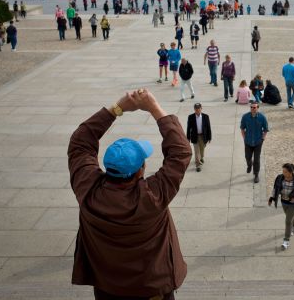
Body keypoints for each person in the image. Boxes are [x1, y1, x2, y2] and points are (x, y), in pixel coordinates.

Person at [68, 88, 191, 299]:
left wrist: (118, 108)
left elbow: (81, 142)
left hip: (108, 288)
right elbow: (180, 151)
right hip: (152, 288)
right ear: (141, 169)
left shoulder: (88, 191)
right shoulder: (151, 197)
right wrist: (154, 107)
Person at [268, 163, 294, 250]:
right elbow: (275, 188)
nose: (283, 173)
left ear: (291, 172)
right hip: (284, 202)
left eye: (285, 171)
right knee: (289, 217)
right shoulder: (280, 178)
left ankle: (286, 241)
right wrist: (271, 198)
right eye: (283, 171)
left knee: (287, 221)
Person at [240, 101, 269, 183]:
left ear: (258, 108)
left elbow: (266, 129)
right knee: (247, 157)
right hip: (248, 141)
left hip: (258, 142)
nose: (252, 109)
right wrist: (244, 138)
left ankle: (256, 174)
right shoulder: (245, 117)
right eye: (251, 107)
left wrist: (262, 139)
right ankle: (249, 165)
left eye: (254, 107)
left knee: (256, 159)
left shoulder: (262, 117)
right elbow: (242, 128)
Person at [186, 103, 211, 172]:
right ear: (194, 109)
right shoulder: (190, 117)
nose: (197, 110)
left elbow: (208, 127)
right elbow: (188, 128)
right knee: (197, 151)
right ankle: (198, 165)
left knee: (202, 150)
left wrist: (209, 137)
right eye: (196, 109)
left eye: (199, 108)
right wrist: (188, 138)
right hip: (195, 136)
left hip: (203, 136)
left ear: (201, 109)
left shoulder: (206, 117)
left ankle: (201, 157)